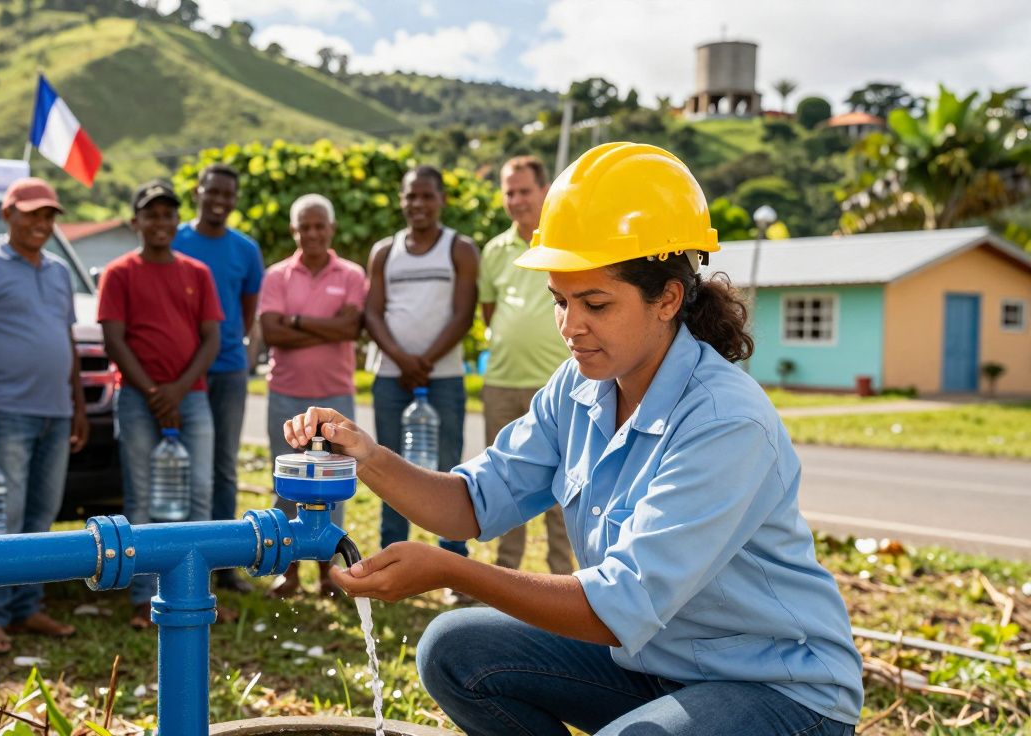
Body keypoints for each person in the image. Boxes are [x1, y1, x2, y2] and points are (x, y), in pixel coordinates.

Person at [286, 143, 863, 734]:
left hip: (773, 689)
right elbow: (469, 504)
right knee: (452, 650)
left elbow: (618, 607)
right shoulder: (581, 388)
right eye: (560, 301)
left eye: (594, 303)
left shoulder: (724, 421)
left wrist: (453, 572)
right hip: (652, 662)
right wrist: (369, 456)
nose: (570, 325)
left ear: (667, 298)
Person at [0, 177, 87, 654]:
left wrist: (76, 405)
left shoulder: (57, 272)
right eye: (32, 213)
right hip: (6, 412)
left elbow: (66, 341)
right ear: (7, 214)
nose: (41, 223)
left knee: (41, 516)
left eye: (49, 215)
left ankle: (27, 607)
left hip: (55, 411)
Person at [97, 180, 222, 630]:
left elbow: (211, 339)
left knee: (199, 494)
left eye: (168, 214)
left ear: (176, 221)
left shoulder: (197, 273)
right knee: (143, 497)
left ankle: (196, 593)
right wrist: (153, 391)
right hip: (136, 398)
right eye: (151, 214)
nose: (160, 223)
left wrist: (176, 390)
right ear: (136, 222)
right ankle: (141, 599)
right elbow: (115, 339)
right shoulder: (119, 273)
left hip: (192, 397)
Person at [364, 165, 478, 560]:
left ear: (442, 199)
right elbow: (373, 313)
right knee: (387, 467)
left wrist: (424, 362)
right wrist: (403, 360)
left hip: (442, 377)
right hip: (391, 378)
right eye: (411, 196)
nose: (419, 204)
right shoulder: (384, 252)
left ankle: (452, 559)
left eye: (427, 195)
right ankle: (391, 556)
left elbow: (464, 314)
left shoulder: (459, 249)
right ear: (401, 201)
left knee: (449, 469)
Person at [258, 194, 367, 598]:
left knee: (333, 486)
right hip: (286, 394)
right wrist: (327, 325)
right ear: (294, 230)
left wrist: (298, 322)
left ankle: (328, 574)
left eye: (321, 225)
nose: (314, 233)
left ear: (332, 229)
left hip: (335, 395)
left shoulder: (352, 274)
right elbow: (272, 333)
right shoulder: (276, 276)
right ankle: (289, 572)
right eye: (306, 226)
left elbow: (348, 329)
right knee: (287, 485)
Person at [478, 156, 575, 576]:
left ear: (545, 190)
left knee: (567, 488)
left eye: (524, 191)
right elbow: (488, 310)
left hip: (558, 383)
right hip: (501, 383)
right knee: (505, 484)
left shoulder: (567, 242)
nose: (516, 200)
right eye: (509, 192)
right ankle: (507, 576)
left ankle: (566, 580)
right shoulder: (494, 252)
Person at [173, 163, 265, 594]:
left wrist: (238, 351)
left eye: (229, 195)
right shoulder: (176, 240)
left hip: (226, 369)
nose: (221, 202)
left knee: (223, 467)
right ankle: (176, 559)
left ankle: (223, 565)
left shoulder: (245, 250)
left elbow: (247, 312)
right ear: (198, 191)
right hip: (177, 373)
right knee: (181, 466)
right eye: (214, 192)